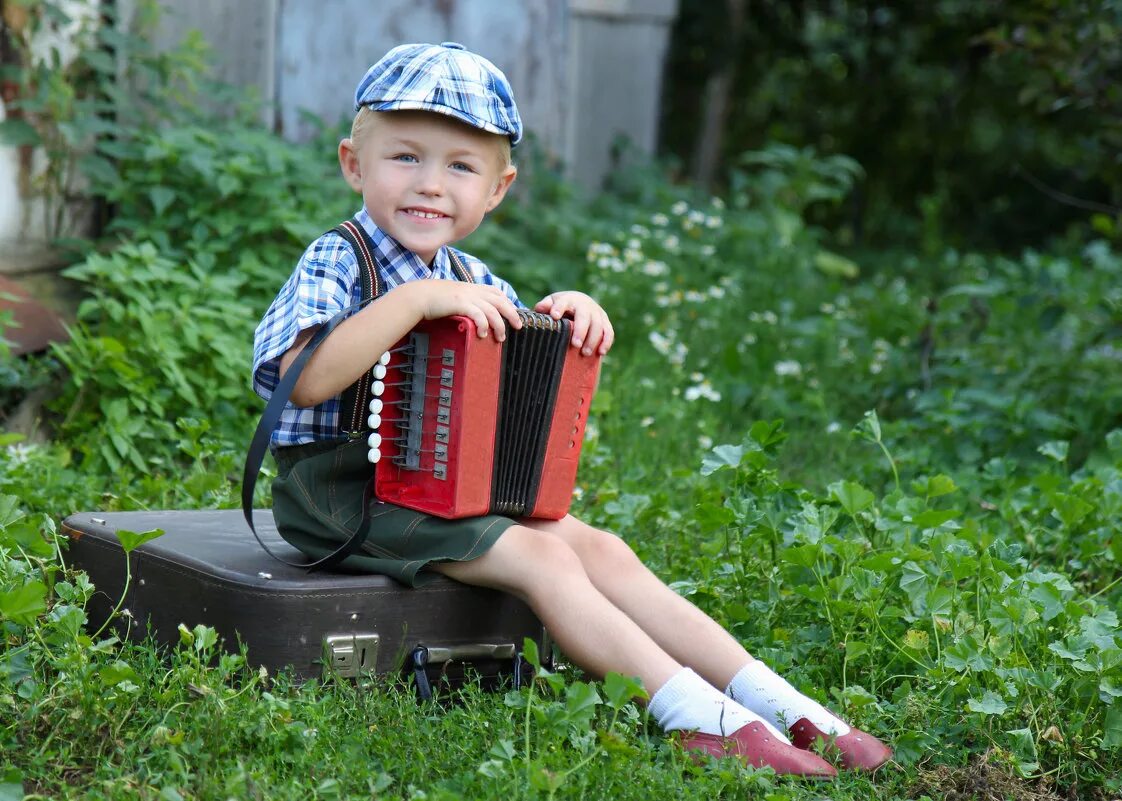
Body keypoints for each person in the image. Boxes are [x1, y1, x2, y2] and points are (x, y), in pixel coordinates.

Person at [251, 41, 892, 778]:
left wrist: (571, 315)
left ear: (497, 189)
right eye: (405, 157)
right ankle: (698, 718)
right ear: (353, 164)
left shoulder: (471, 275)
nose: (429, 184)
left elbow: (516, 378)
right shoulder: (342, 259)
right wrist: (413, 301)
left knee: (603, 548)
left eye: (461, 166)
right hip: (340, 494)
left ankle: (778, 703)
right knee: (543, 554)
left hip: (444, 492)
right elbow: (302, 380)